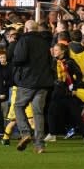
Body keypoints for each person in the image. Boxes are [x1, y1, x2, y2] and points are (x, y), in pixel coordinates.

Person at [10, 20, 54, 153]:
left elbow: (19, 59)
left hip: (28, 81)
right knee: (38, 112)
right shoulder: (45, 42)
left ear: (26, 30)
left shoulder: (24, 40)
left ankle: (25, 133)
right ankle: (39, 145)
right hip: (44, 82)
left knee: (18, 106)